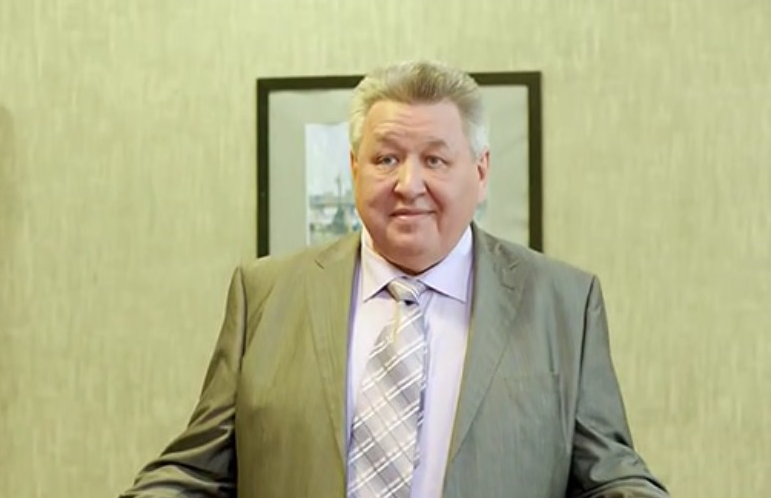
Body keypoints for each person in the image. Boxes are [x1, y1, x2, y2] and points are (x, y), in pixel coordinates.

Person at [119, 60, 670, 498]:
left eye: (435, 160)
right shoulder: (264, 294)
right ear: (354, 168)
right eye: (386, 159)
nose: (409, 184)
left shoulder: (563, 302)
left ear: (480, 173)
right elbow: (196, 472)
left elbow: (610, 477)